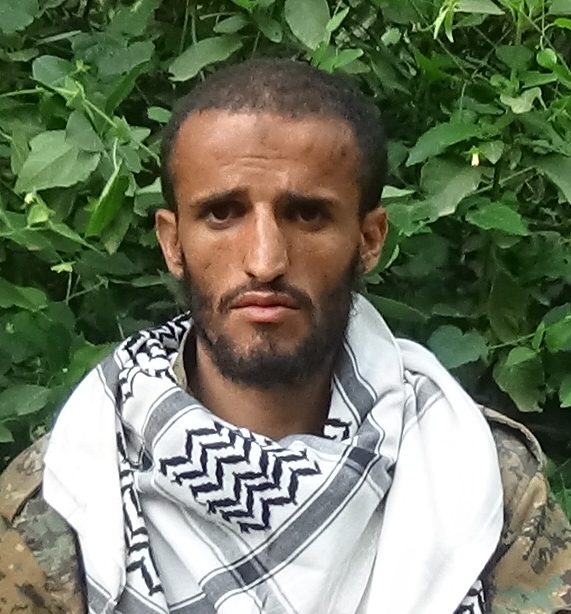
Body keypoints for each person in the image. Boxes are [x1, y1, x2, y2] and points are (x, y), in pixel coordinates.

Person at [0, 58, 570, 614]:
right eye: (222, 213)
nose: (265, 261)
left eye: (308, 215)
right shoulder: (68, 493)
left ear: (370, 240)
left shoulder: (478, 476)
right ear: (173, 243)